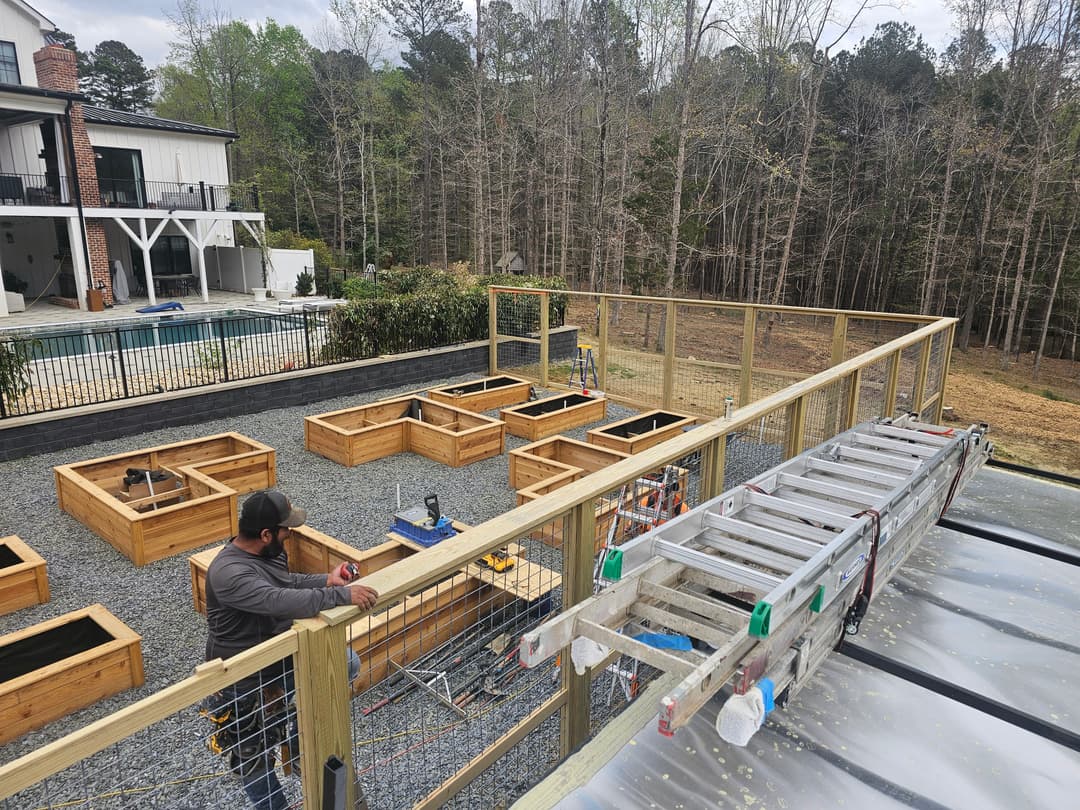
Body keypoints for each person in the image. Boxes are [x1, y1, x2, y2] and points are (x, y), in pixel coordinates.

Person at [203, 489, 378, 810]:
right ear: (266, 533)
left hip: (278, 658)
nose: (290, 534)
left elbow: (284, 583)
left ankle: (300, 752)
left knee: (346, 663)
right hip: (240, 681)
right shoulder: (230, 573)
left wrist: (326, 580)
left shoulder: (269, 552)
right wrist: (342, 597)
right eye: (286, 530)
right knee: (254, 756)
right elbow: (277, 600)